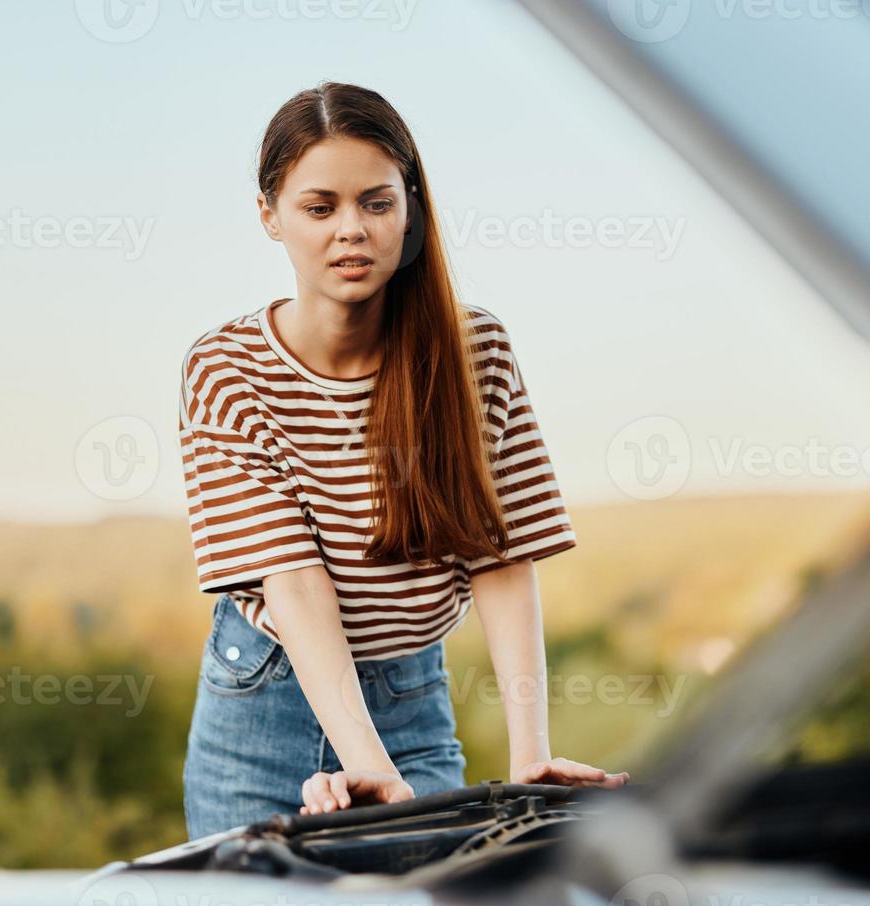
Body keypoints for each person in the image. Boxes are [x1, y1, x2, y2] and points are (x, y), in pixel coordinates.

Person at [178, 81, 628, 839]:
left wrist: (530, 755)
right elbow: (292, 580)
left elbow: (501, 554)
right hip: (262, 699)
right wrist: (367, 765)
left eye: (376, 203)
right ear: (270, 216)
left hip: (411, 697)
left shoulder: (475, 353)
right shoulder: (225, 370)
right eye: (319, 208)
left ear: (409, 209)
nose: (350, 229)